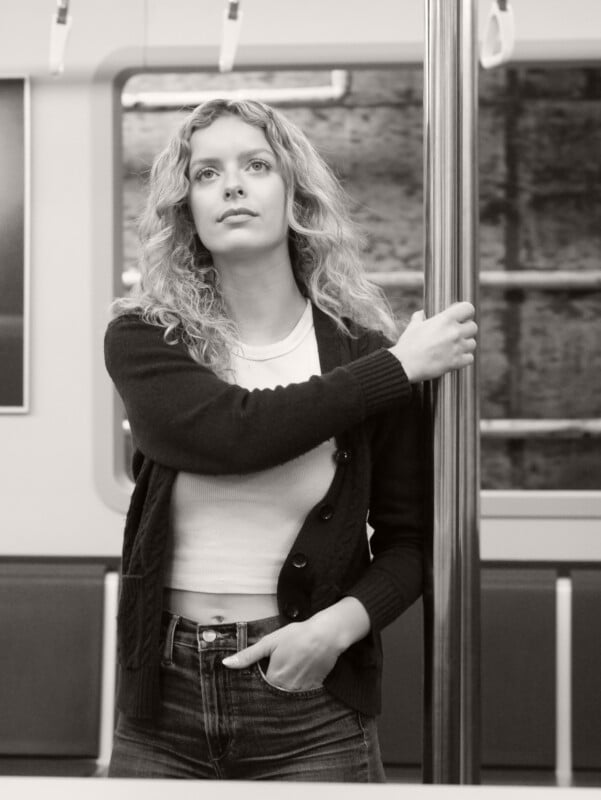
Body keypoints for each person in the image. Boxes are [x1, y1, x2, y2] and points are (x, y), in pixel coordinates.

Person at [104, 98, 477, 782]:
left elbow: (410, 543)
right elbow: (232, 433)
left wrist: (329, 634)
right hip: (162, 700)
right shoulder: (145, 337)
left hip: (309, 697)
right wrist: (396, 369)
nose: (233, 185)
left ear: (293, 193)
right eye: (207, 173)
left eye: (256, 165)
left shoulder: (360, 355)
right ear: (185, 205)